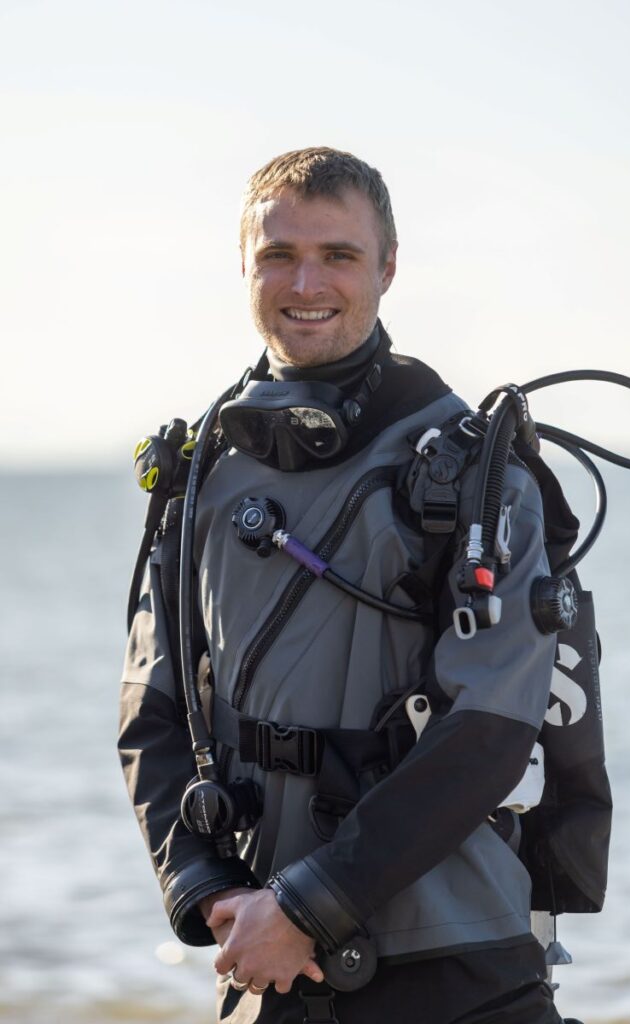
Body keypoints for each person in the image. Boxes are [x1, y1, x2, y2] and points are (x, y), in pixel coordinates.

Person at [119, 147, 577, 1024]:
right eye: (278, 254)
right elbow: (151, 704)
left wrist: (307, 907)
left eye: (338, 254)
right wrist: (207, 886)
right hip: (265, 961)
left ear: (388, 267)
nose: (306, 281)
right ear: (244, 266)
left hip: (453, 957)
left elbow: (488, 730)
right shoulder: (200, 470)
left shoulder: (476, 476)